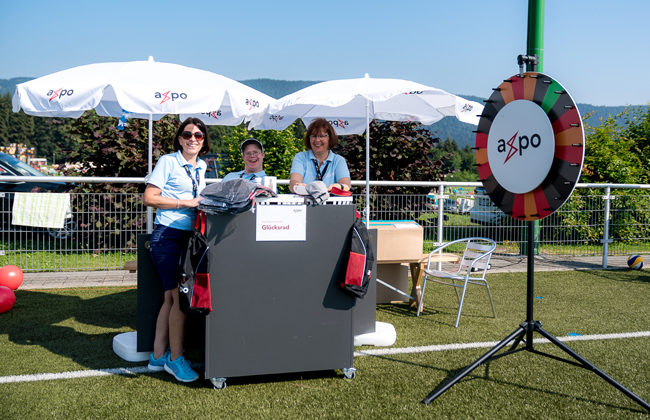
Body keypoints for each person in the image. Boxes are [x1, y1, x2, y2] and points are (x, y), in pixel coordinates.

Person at [142, 117, 210, 383]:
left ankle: (158, 355)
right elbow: (149, 197)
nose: (193, 139)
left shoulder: (202, 165)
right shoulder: (168, 161)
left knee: (171, 298)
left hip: (188, 237)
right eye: (188, 134)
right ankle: (175, 359)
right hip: (167, 237)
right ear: (179, 139)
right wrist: (186, 203)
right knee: (180, 298)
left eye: (198, 135)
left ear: (204, 141)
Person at [289, 118, 351, 193]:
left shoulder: (338, 160)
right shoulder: (300, 157)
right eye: (313, 136)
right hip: (305, 202)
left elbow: (346, 185)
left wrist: (339, 186)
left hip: (330, 203)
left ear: (330, 138)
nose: (317, 140)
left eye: (321, 136)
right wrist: (297, 186)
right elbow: (294, 182)